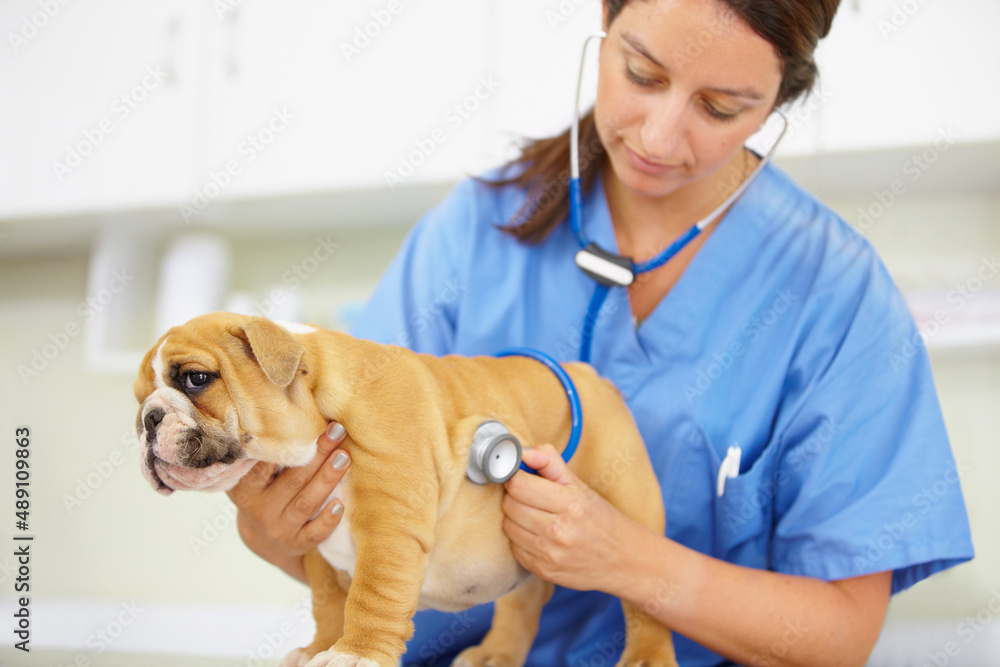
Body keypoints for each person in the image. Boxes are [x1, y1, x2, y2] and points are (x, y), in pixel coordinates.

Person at [227, 0, 975, 664]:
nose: (659, 134)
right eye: (642, 74)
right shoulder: (471, 235)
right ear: (605, 23)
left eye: (720, 108)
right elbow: (348, 530)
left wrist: (627, 559)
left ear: (781, 100)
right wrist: (272, 528)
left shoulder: (834, 294)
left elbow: (839, 634)